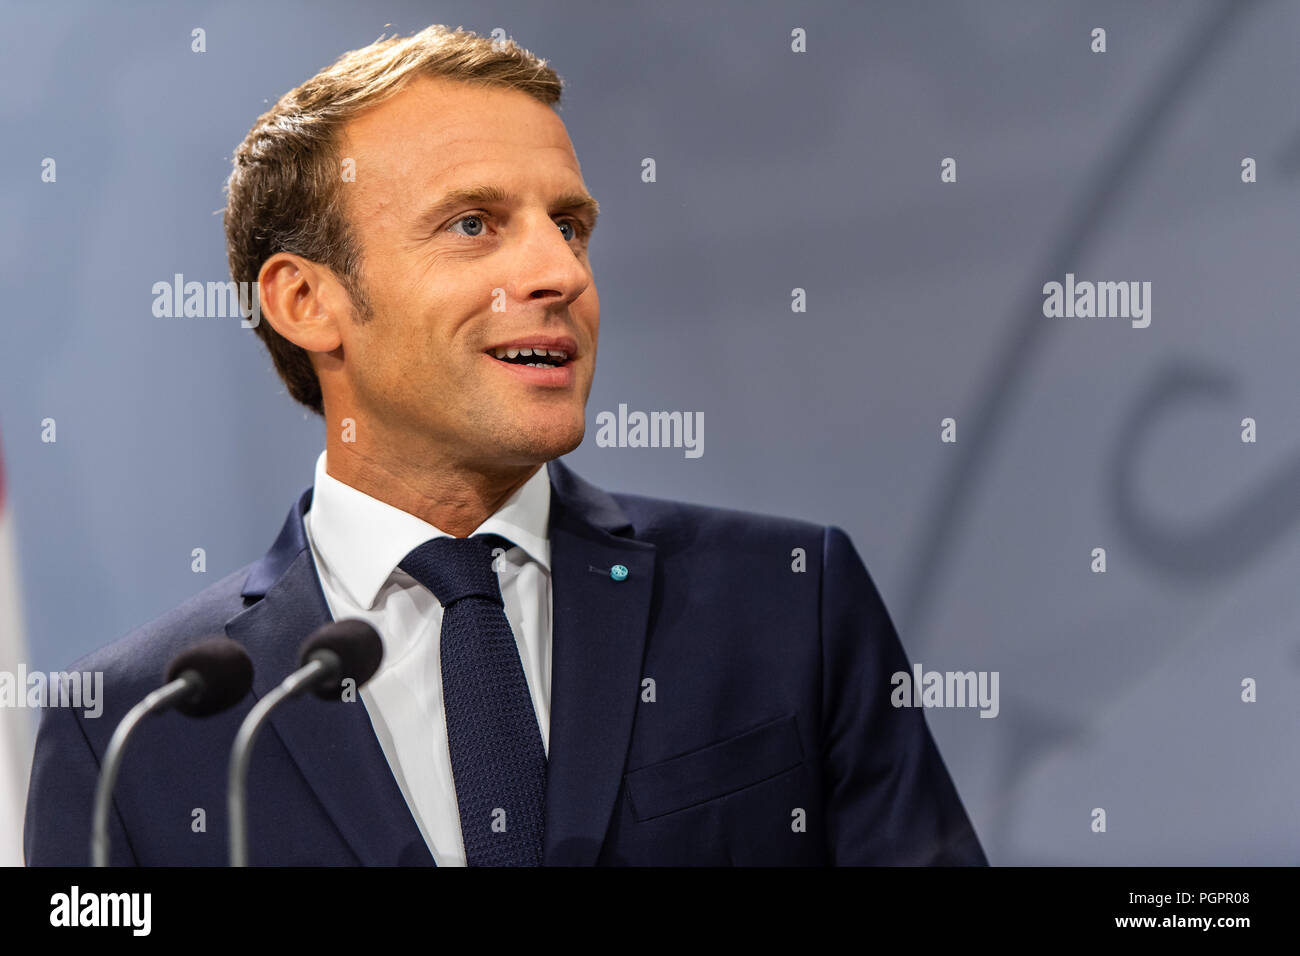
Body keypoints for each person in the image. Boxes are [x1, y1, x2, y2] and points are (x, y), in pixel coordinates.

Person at [24, 24, 986, 866]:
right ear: (306, 300)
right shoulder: (135, 727)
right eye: (474, 224)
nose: (559, 271)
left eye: (569, 226)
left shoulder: (786, 599)